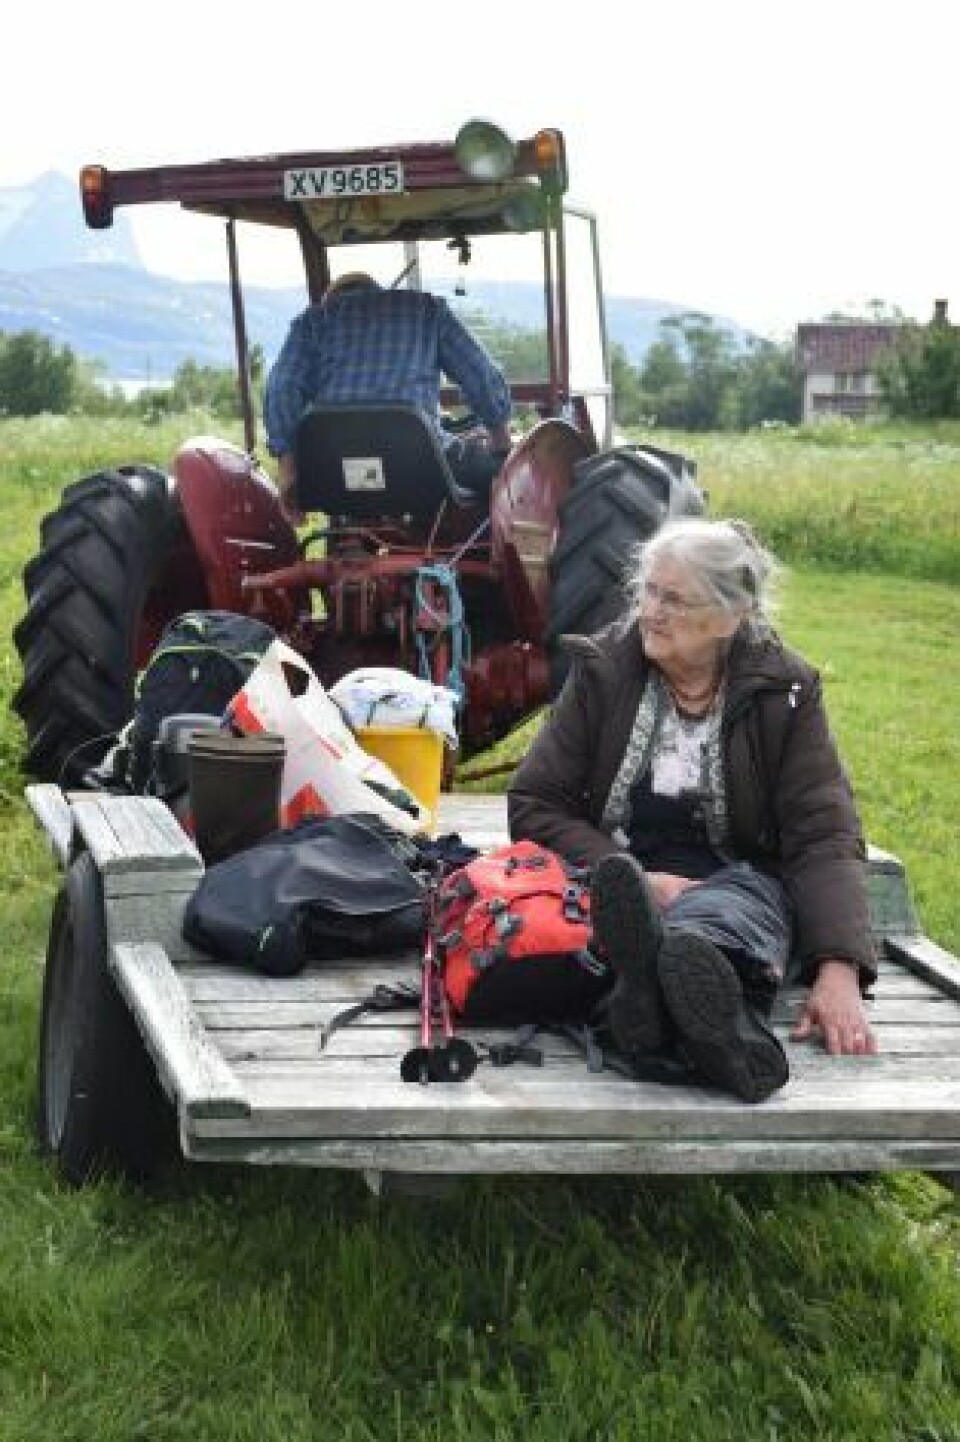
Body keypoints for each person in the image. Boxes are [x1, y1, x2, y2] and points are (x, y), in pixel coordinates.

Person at [507, 516, 878, 1103]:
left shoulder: (785, 692)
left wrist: (840, 967)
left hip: (739, 879)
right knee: (622, 917)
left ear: (732, 617)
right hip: (619, 872)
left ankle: (646, 999)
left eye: (674, 599)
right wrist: (631, 878)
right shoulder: (605, 669)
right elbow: (536, 801)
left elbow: (822, 833)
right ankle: (718, 1030)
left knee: (727, 921)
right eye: (649, 590)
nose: (651, 611)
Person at [263, 272, 513, 523]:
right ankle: (492, 554)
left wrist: (288, 470)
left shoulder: (313, 322)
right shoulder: (425, 311)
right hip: (419, 466)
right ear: (376, 292)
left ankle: (349, 544)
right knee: (506, 475)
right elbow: (480, 374)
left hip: (335, 471)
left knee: (349, 487)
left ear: (332, 301)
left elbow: (281, 388)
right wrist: (500, 442)